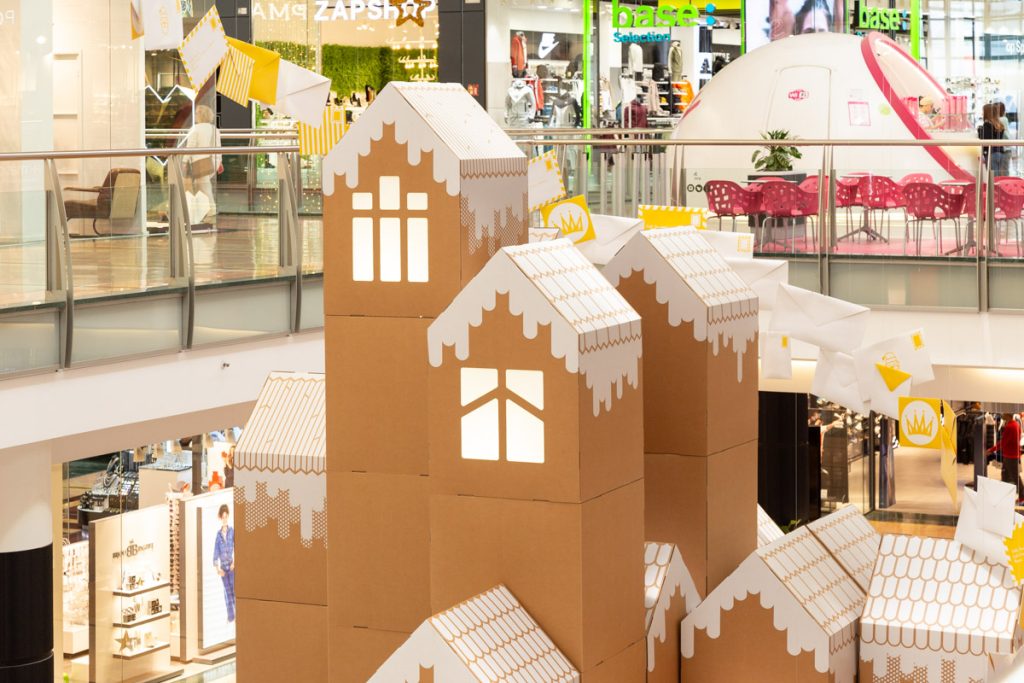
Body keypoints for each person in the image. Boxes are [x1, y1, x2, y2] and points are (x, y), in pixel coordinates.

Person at [184, 104, 222, 221]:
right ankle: (206, 210)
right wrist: (219, 161)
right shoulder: (214, 129)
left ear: (200, 115)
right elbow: (218, 146)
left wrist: (184, 161)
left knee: (203, 187)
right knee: (203, 185)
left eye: (196, 113)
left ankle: (210, 210)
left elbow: (190, 146)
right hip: (212, 161)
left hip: (199, 162)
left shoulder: (195, 129)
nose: (194, 115)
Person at [988, 413, 1022, 500]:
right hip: (1011, 455)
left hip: (1011, 456)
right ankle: (1004, 495)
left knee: (1014, 477)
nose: (1002, 414)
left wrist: (991, 450)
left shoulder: (1010, 426)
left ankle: (1022, 496)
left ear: (1008, 415)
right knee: (1005, 475)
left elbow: (1003, 442)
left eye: (1004, 413)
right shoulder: (1015, 424)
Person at [212, 504, 235, 622]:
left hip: (232, 567)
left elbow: (239, 548)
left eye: (226, 516)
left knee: (234, 590)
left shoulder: (232, 532)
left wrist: (234, 563)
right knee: (227, 592)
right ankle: (231, 617)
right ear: (220, 518)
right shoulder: (218, 535)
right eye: (223, 517)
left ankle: (238, 614)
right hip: (223, 569)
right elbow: (215, 553)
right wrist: (218, 570)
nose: (224, 519)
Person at [979, 102, 1010, 176]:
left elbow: (985, 139)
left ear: (987, 113)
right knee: (999, 176)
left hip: (991, 153)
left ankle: (994, 188)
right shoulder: (1000, 125)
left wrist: (980, 131)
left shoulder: (987, 125)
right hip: (1000, 152)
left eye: (983, 112)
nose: (982, 113)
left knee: (993, 178)